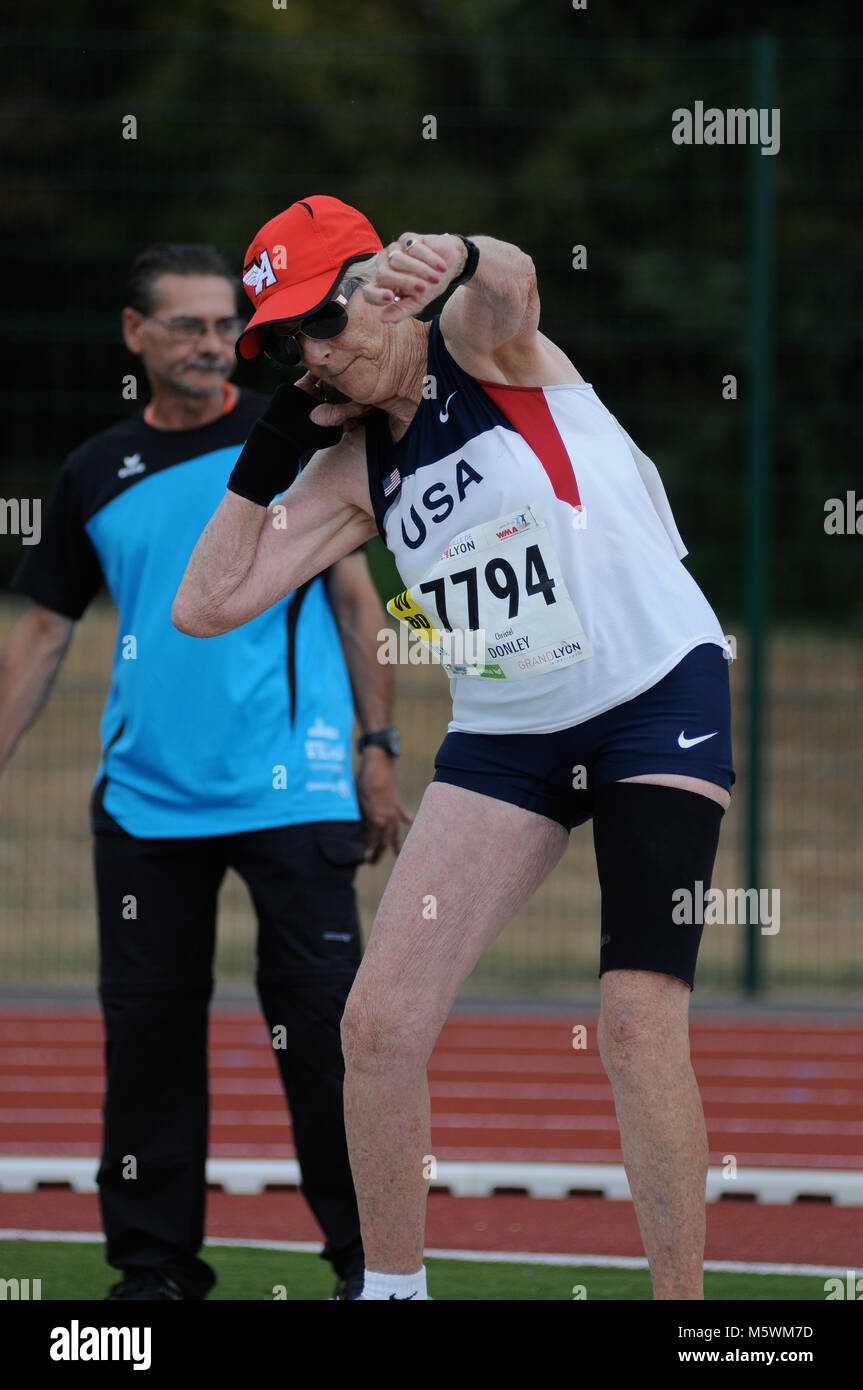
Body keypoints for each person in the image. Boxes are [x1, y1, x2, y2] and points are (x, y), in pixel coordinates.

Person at [173, 196, 735, 1302]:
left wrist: (467, 253)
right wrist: (269, 449)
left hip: (651, 691)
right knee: (375, 1023)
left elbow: (514, 286)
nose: (312, 356)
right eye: (285, 346)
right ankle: (392, 1291)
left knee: (633, 1016)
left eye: (321, 322)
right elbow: (205, 604)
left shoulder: (473, 344)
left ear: (384, 288)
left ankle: (685, 1316)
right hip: (507, 732)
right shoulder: (346, 470)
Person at [0, 242, 409, 1301]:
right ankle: (154, 1273)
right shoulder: (94, 470)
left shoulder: (297, 438)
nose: (213, 343)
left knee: (326, 1040)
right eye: (185, 324)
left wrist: (376, 750)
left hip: (300, 791)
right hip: (144, 806)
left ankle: (367, 1268)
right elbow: (41, 634)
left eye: (227, 323)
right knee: (148, 1048)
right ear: (134, 334)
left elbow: (360, 605)